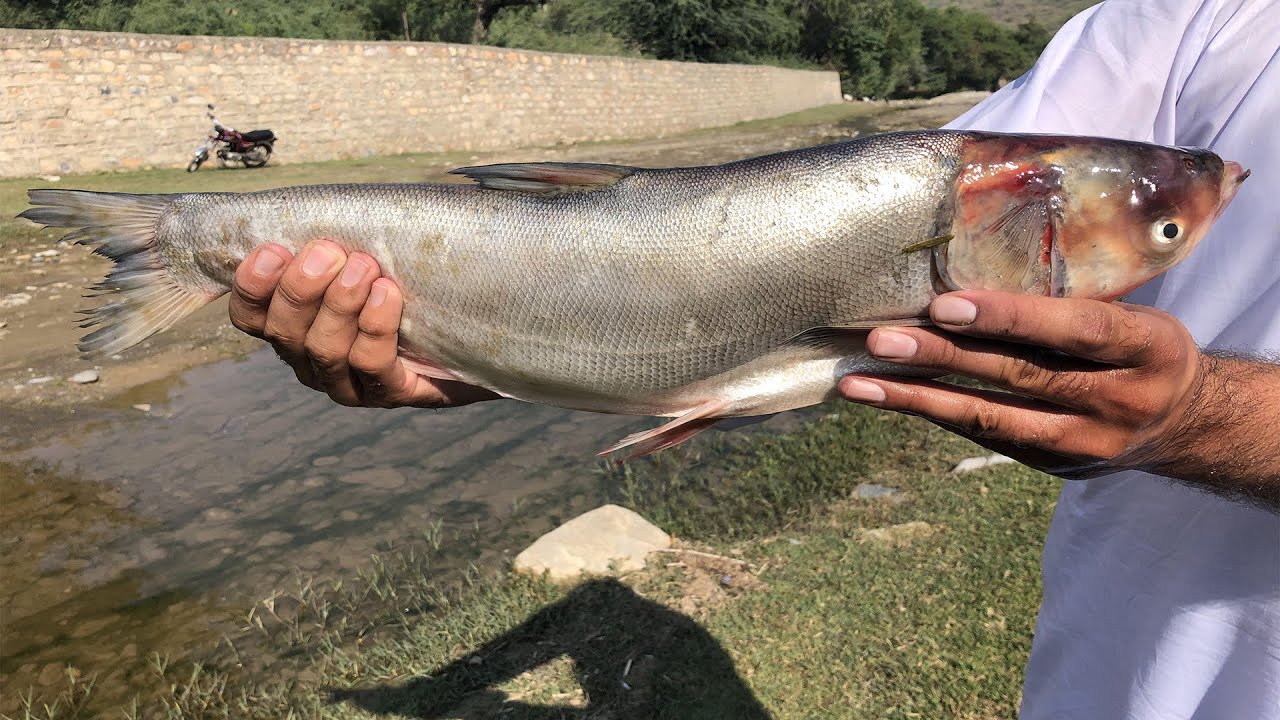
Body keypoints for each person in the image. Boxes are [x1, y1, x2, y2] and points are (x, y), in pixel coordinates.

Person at [227, 0, 1279, 716]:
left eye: (1164, 237)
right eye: (1165, 234)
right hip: (1110, 672)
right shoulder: (1196, 20)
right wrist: (460, 351)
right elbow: (778, 248)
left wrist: (1205, 417)